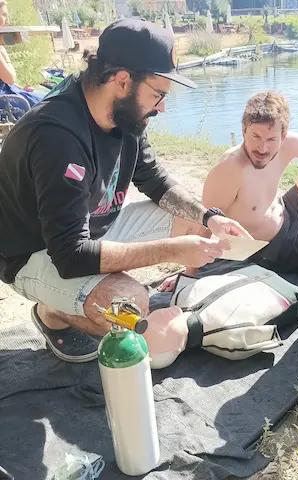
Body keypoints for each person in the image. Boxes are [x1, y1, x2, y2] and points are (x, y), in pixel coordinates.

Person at [0, 19, 249, 364]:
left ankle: (82, 297)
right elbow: (70, 255)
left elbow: (154, 179)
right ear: (122, 81)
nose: (162, 107)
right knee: (128, 302)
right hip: (32, 253)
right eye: (159, 94)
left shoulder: (127, 113)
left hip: (89, 230)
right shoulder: (57, 136)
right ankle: (52, 314)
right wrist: (172, 251)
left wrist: (209, 217)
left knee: (198, 226)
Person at [159, 91, 298, 291]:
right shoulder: (230, 169)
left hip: (287, 211)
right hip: (277, 250)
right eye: (256, 136)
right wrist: (189, 273)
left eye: (271, 139)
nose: (262, 148)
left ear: (283, 135)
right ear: (244, 130)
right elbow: (206, 223)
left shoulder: (288, 145)